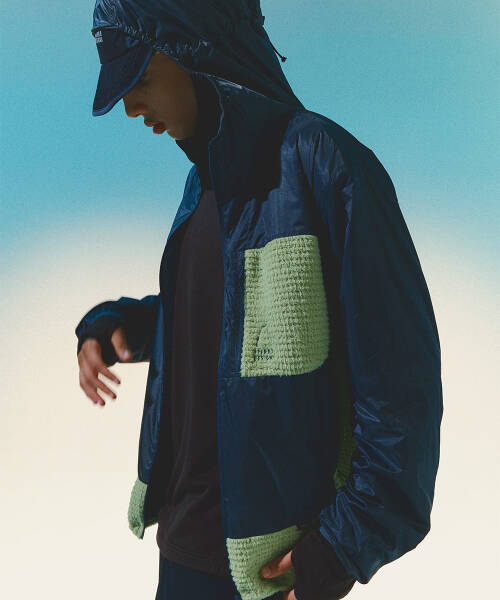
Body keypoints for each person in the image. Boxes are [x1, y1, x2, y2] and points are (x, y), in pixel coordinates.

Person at [76, 2, 443, 600]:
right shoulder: (204, 185)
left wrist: (343, 546)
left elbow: (401, 384)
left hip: (275, 570)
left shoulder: (325, 163)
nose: (129, 106)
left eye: (138, 77)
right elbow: (221, 319)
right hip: (182, 552)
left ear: (196, 48)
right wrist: (116, 325)